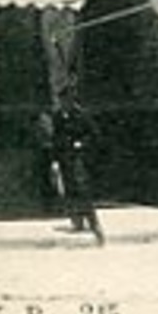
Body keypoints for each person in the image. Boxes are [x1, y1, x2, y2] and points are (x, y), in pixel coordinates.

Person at [51, 95, 103, 245]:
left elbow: (94, 134)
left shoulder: (81, 115)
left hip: (78, 157)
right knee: (69, 188)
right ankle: (77, 220)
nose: (63, 105)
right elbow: (56, 138)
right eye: (61, 102)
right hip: (64, 158)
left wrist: (81, 143)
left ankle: (93, 222)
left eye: (66, 102)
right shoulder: (58, 117)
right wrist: (54, 160)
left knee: (82, 188)